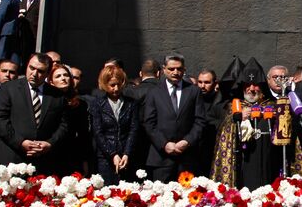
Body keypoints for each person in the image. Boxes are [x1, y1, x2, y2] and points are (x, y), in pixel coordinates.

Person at [211, 59, 284, 189]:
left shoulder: (272, 106)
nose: (251, 89)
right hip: (243, 159)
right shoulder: (233, 107)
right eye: (247, 85)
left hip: (267, 159)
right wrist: (237, 117)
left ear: (262, 86)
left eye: (255, 85)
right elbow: (223, 131)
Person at [0, 53, 71, 175]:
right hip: (14, 158)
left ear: (47, 74)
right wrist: (20, 142)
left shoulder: (57, 96)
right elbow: (0, 120)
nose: (34, 74)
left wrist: (50, 143)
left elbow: (64, 125)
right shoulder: (9, 89)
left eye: (40, 71)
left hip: (44, 162)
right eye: (31, 68)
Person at [141, 54, 206, 182]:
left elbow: (200, 121)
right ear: (164, 69)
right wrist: (164, 144)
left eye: (179, 69)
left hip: (187, 157)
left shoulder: (193, 91)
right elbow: (149, 122)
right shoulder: (154, 92)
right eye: (171, 69)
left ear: (184, 69)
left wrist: (187, 141)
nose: (175, 72)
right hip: (161, 158)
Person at [86, 63, 141, 185]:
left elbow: (133, 129)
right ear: (105, 85)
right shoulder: (98, 104)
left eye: (119, 84)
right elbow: (98, 132)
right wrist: (112, 154)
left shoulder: (131, 104)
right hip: (105, 157)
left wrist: (127, 153)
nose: (116, 88)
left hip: (127, 155)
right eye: (112, 85)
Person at [49, 64, 88, 175]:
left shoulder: (80, 104)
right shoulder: (48, 102)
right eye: (58, 76)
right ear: (51, 82)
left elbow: (83, 133)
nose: (63, 78)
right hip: (52, 151)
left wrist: (84, 160)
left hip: (72, 152)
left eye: (66, 75)